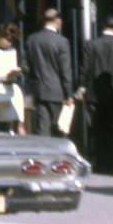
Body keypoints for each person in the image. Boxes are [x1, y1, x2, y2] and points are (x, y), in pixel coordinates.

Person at [79, 15, 113, 173]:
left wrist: (81, 87)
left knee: (97, 127)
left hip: (94, 93)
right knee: (112, 127)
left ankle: (99, 161)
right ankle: (111, 163)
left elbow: (85, 68)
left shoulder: (91, 45)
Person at [25, 9, 74, 137]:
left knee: (42, 128)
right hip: (57, 92)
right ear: (57, 21)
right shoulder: (62, 42)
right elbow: (65, 70)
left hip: (39, 91)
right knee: (59, 129)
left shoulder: (32, 39)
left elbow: (25, 66)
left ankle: (44, 155)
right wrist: (69, 94)